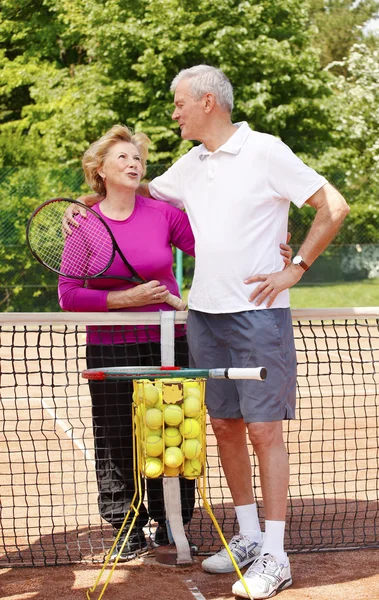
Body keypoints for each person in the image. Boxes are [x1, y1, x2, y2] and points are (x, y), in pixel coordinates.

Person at [66, 65, 348, 599]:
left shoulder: (266, 150)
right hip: (205, 316)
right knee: (223, 427)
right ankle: (245, 535)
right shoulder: (191, 165)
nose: (173, 112)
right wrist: (95, 199)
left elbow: (332, 206)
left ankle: (275, 554)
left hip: (259, 313)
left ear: (207, 103)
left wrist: (297, 266)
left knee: (265, 432)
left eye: (178, 103)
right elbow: (144, 189)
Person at [58, 124, 198, 561]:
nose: (133, 163)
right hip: (110, 344)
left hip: (169, 341)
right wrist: (125, 299)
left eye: (137, 157)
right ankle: (126, 527)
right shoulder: (84, 222)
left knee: (172, 430)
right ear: (99, 169)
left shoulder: (163, 214)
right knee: (116, 435)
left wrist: (273, 252)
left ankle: (172, 521)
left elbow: (209, 249)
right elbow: (69, 294)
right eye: (122, 157)